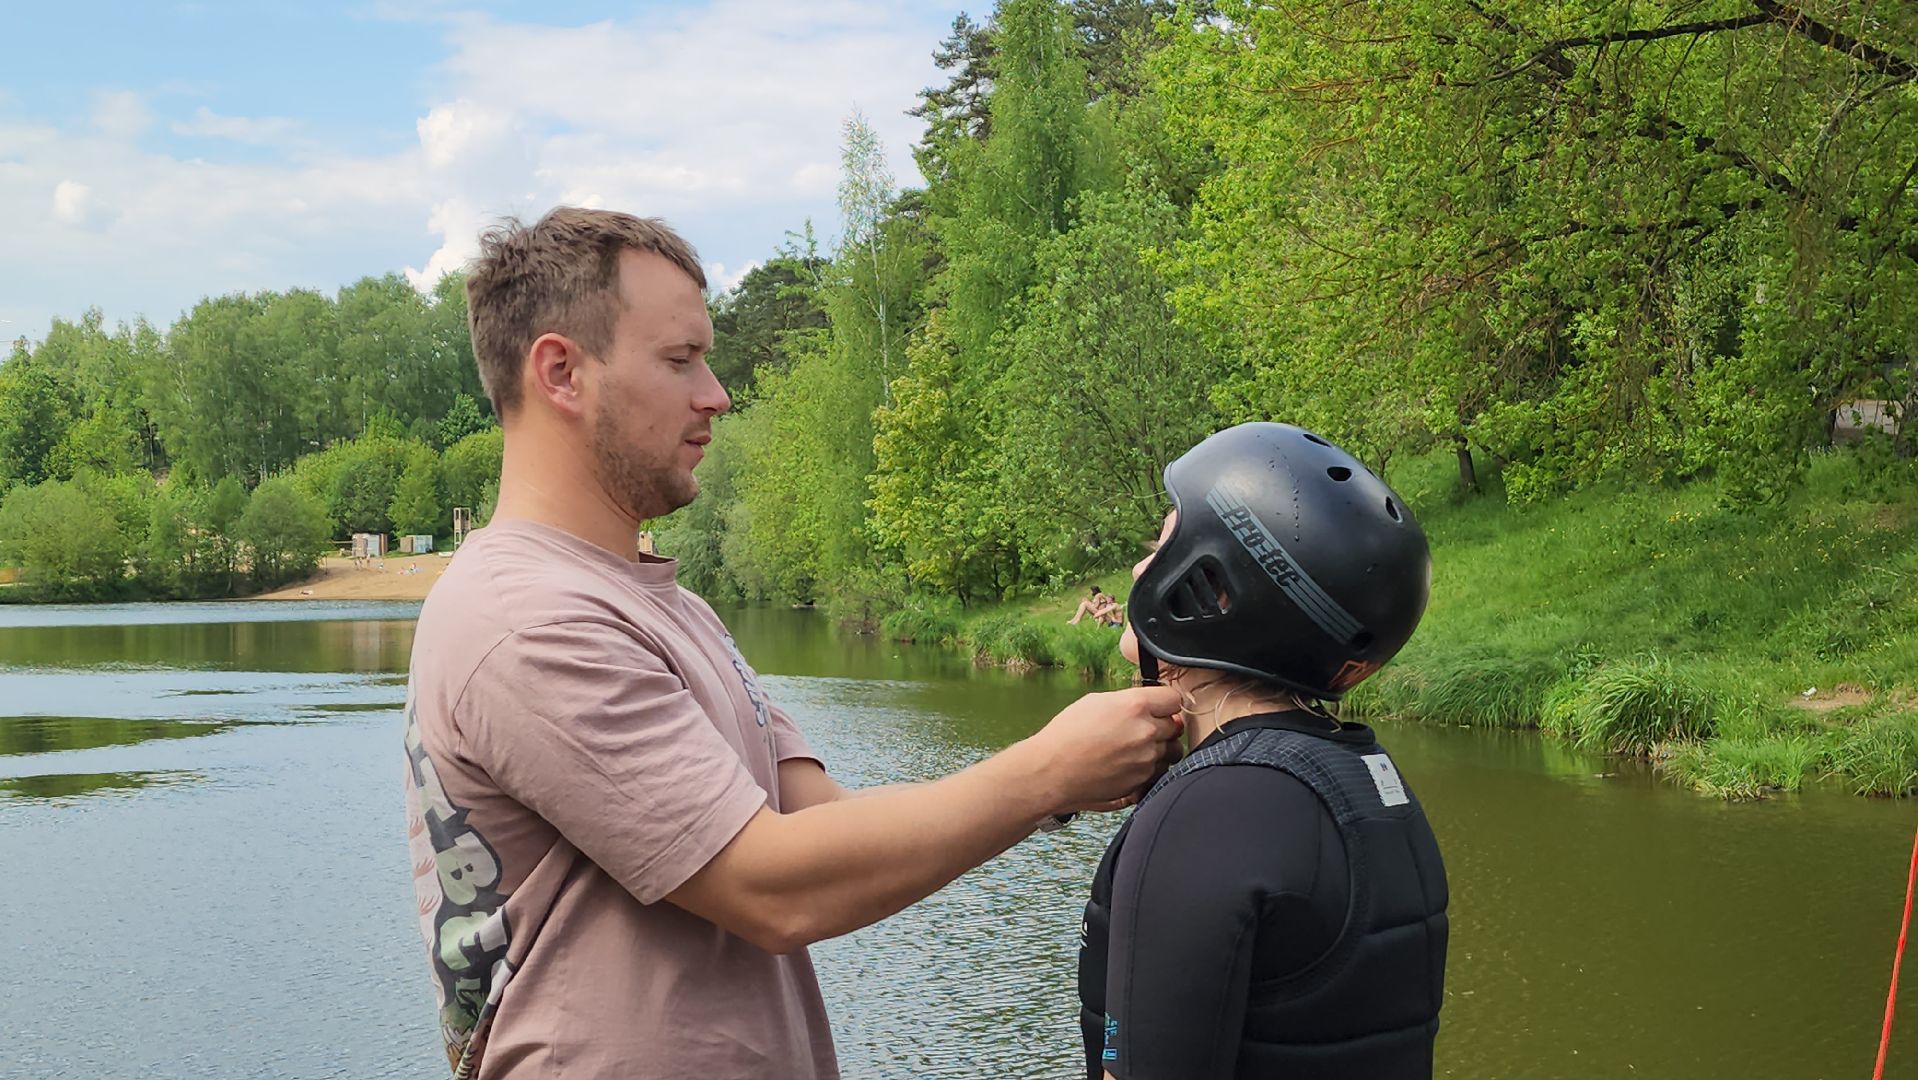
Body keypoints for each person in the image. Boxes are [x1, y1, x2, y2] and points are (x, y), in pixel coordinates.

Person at [401, 207, 1184, 1080]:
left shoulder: (677, 611)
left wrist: (1064, 780)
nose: (717, 394)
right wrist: (1050, 771)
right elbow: (769, 886)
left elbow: (827, 832)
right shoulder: (525, 615)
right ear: (561, 372)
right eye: (679, 359)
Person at [1077, 422, 1449, 1080]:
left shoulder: (1207, 813)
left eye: (1162, 544)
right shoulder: (1365, 778)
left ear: (1213, 587)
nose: (1138, 571)